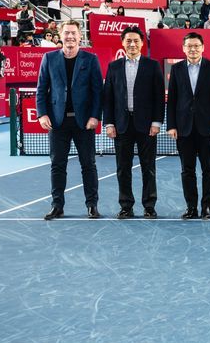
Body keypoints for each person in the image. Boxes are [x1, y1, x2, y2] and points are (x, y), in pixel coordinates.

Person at [36, 20, 103, 220]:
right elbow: (41, 89)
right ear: (60, 35)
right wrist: (42, 114)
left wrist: (95, 116)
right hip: (57, 122)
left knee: (88, 165)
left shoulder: (91, 60)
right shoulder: (49, 58)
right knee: (57, 165)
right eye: (66, 33)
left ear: (80, 36)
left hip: (84, 123)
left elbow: (97, 92)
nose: (70, 36)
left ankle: (92, 205)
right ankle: (57, 206)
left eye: (74, 33)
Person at [102, 26, 165, 219]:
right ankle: (126, 206)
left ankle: (149, 206)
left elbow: (158, 96)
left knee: (149, 167)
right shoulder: (113, 67)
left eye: (136, 41)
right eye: (128, 40)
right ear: (123, 43)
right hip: (122, 125)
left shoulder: (152, 66)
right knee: (123, 169)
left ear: (142, 43)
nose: (132, 44)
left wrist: (156, 122)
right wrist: (109, 123)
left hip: (146, 126)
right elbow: (108, 98)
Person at [166, 32, 210, 220]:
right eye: (189, 46)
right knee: (187, 170)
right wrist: (171, 125)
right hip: (183, 129)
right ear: (184, 48)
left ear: (203, 47)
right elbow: (172, 99)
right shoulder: (176, 69)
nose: (193, 49)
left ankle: (207, 206)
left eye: (196, 46)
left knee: (209, 169)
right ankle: (191, 207)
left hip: (207, 129)